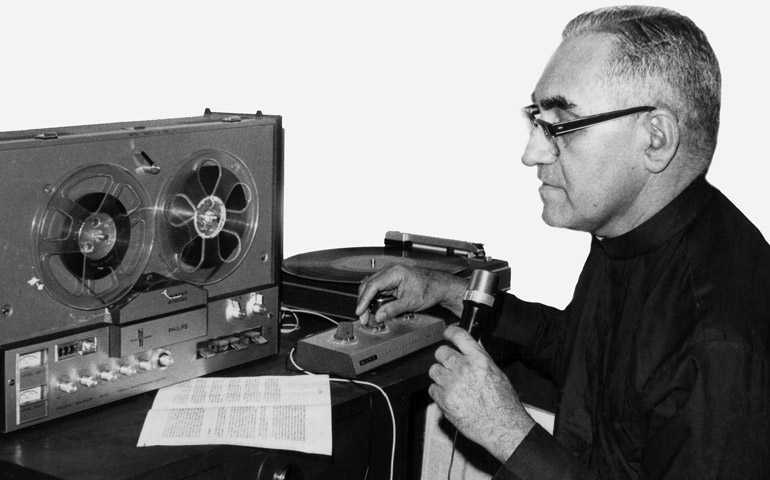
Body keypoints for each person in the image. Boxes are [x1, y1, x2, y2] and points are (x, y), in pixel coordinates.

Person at [356, 5, 769, 479]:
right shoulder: (629, 234)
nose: (531, 153)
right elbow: (577, 348)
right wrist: (450, 292)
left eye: (560, 125)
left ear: (655, 139)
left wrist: (509, 433)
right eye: (536, 119)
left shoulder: (721, 342)